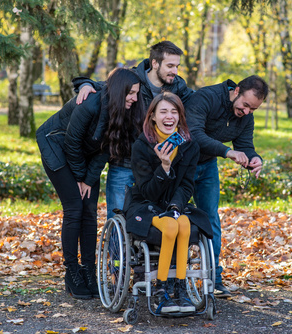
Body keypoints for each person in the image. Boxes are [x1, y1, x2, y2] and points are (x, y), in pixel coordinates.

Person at [36, 68, 143, 300]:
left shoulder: (123, 111)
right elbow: (72, 143)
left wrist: (89, 178)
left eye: (136, 93)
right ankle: (72, 272)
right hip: (57, 146)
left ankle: (88, 271)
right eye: (131, 93)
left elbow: (107, 149)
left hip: (84, 157)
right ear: (120, 90)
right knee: (75, 208)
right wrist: (80, 178)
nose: (135, 98)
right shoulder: (90, 104)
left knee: (90, 211)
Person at [72, 41, 194, 219]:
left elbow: (200, 104)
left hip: (156, 166)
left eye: (177, 66)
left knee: (150, 224)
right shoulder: (133, 78)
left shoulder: (178, 88)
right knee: (118, 219)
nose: (175, 71)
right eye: (170, 66)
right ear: (155, 63)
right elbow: (107, 87)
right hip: (124, 164)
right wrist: (84, 84)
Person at [124, 92, 212, 315]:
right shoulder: (142, 146)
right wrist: (164, 167)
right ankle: (161, 289)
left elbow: (186, 185)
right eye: (163, 111)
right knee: (172, 226)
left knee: (182, 223)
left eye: (174, 112)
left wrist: (175, 207)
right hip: (146, 204)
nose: (169, 116)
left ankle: (180, 289)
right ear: (152, 116)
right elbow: (147, 192)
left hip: (175, 204)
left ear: (180, 116)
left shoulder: (189, 146)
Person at [186, 75, 269, 298]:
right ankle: (173, 279)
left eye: (253, 109)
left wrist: (253, 158)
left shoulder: (246, 116)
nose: (247, 112)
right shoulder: (206, 97)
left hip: (207, 166)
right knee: (173, 218)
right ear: (236, 90)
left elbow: (244, 145)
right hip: (181, 163)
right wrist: (227, 152)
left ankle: (213, 279)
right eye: (245, 105)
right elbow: (193, 134)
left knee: (210, 219)